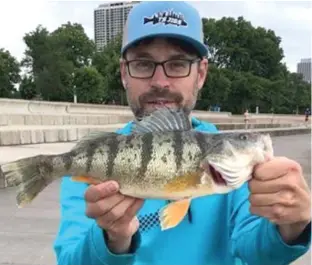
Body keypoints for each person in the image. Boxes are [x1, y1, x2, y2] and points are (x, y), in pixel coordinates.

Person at [53, 2, 311, 265]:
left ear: (201, 73)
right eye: (143, 64)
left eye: (177, 64)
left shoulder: (236, 172)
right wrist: (112, 240)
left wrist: (291, 225)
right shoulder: (93, 163)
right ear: (124, 73)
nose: (160, 82)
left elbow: (256, 252)